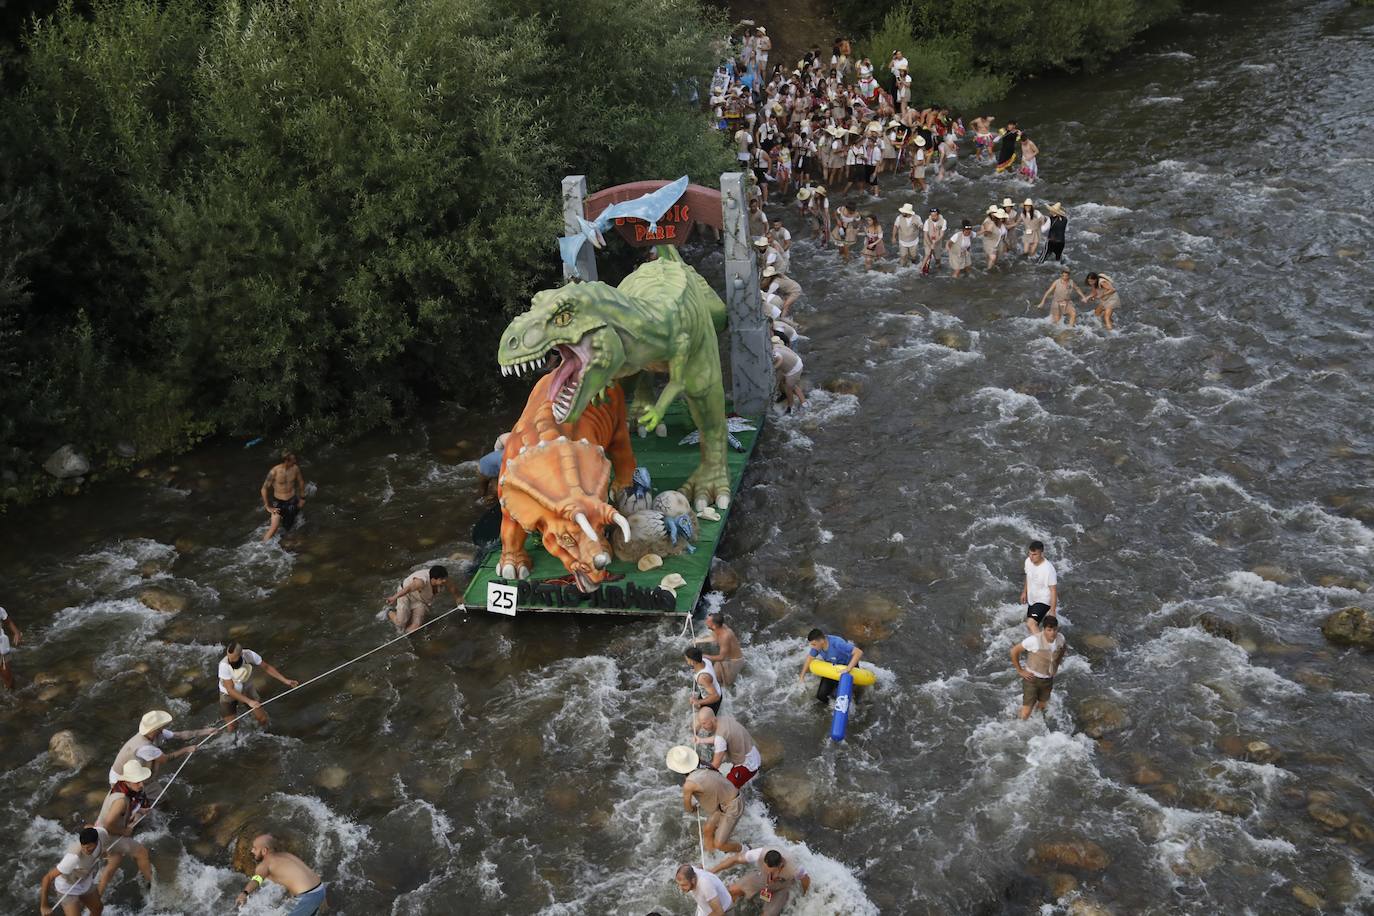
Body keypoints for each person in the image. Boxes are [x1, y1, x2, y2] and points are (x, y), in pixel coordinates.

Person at [109, 710, 214, 785]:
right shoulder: (145, 748)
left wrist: (205, 732)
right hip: (122, 779)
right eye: (161, 726)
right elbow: (166, 759)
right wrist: (186, 749)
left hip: (140, 775)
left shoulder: (157, 733)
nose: (164, 727)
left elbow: (181, 735)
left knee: (162, 801)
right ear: (155, 729)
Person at [671, 749, 744, 855]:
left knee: (720, 844)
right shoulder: (703, 763)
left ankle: (745, 850)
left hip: (733, 805)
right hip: (724, 802)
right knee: (707, 830)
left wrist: (693, 808)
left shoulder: (689, 785)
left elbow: (688, 808)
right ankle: (712, 856)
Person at [235, 834, 327, 914]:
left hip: (308, 896)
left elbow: (257, 879)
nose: (252, 851)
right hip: (320, 889)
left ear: (264, 851)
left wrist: (244, 893)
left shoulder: (266, 864)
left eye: (255, 848)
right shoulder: (287, 855)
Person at [218, 640, 299, 731]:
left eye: (233, 659)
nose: (230, 662)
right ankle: (234, 741)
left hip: (247, 689)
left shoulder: (249, 655)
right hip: (228, 694)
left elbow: (266, 667)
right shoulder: (224, 665)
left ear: (241, 654)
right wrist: (249, 702)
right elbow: (230, 690)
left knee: (263, 719)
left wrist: (285, 680)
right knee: (232, 726)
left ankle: (263, 734)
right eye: (229, 658)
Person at [711, 846, 812, 915]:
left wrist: (804, 895)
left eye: (771, 869)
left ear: (780, 865)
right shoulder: (759, 853)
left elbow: (805, 879)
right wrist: (711, 871)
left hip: (782, 887)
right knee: (731, 891)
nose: (767, 868)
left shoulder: (795, 868)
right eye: (765, 866)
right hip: (763, 878)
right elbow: (735, 859)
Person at [39, 826, 106, 916]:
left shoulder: (101, 833)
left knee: (98, 908)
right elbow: (47, 878)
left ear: (97, 841)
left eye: (89, 848)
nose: (86, 850)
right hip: (67, 887)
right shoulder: (72, 858)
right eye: (84, 847)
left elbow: (90, 826)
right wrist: (44, 906)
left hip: (84, 880)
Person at [1012, 615, 1067, 719]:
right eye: (1049, 630)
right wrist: (1020, 670)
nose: (1052, 633)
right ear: (1044, 629)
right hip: (1032, 679)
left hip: (1047, 679)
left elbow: (1063, 648)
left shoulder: (1061, 638)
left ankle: (1036, 722)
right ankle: (1017, 720)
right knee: (1026, 713)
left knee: (1042, 707)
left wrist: (1057, 664)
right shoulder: (1034, 640)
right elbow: (1014, 651)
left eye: (1055, 630)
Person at [694, 708, 761, 788]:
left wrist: (699, 770)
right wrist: (701, 740)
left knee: (727, 789)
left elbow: (715, 765)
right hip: (751, 752)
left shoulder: (720, 738)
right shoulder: (723, 719)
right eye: (701, 724)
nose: (702, 727)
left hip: (748, 765)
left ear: (712, 719)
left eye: (704, 723)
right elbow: (722, 737)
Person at [798, 628, 863, 704]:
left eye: (814, 644)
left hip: (849, 667)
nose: (812, 647)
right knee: (821, 696)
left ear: (822, 641)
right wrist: (802, 677)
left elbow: (858, 652)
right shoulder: (817, 647)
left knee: (839, 696)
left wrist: (848, 669)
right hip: (833, 668)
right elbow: (809, 658)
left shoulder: (837, 643)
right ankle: (830, 707)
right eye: (811, 644)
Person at [385, 564, 455, 634]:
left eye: (445, 578)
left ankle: (404, 635)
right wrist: (394, 597)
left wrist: (458, 597)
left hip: (420, 599)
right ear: (433, 579)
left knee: (416, 626)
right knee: (400, 622)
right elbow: (408, 589)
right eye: (441, 579)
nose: (444, 581)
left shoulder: (443, 580)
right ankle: (389, 611)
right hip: (406, 595)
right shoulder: (420, 582)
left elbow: (452, 587)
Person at [260, 451, 307, 542]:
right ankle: (261, 546)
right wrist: (268, 506)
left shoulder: (295, 468)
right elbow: (264, 489)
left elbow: (301, 482)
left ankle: (287, 544)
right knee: (273, 528)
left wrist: (302, 498)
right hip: (278, 502)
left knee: (290, 527)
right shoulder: (274, 472)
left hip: (292, 501)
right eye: (293, 459)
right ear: (286, 461)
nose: (295, 461)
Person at [694, 611, 744, 686]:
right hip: (726, 658)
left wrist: (703, 656)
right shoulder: (720, 627)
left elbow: (721, 657)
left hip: (733, 662)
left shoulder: (725, 636)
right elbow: (715, 637)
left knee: (725, 685)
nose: (705, 622)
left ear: (714, 626)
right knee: (714, 678)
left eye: (707, 621)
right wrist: (699, 640)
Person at [1020, 540, 1058, 634]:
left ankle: (1043, 647)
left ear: (1042, 553)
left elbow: (1053, 591)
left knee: (1031, 624)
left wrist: (1052, 611)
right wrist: (1024, 592)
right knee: (1031, 627)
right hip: (1032, 599)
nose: (1031, 557)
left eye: (1034, 554)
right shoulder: (1028, 561)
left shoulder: (1048, 569)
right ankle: (1047, 639)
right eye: (1030, 554)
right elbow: (1028, 576)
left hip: (1044, 600)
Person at [685, 646, 723, 714]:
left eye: (687, 660)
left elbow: (715, 696)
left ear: (693, 662)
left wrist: (698, 701)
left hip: (712, 701)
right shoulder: (705, 660)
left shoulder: (703, 677)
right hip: (710, 691)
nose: (687, 661)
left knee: (706, 722)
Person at [771, 336, 805, 412]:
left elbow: (780, 359)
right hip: (796, 362)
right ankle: (804, 403)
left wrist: (773, 368)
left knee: (788, 388)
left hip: (794, 368)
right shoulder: (779, 345)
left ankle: (791, 406)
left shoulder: (774, 352)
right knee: (791, 385)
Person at [475, 432, 511, 504]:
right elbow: (504, 476)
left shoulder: (506, 452)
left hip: (482, 465)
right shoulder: (505, 459)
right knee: (495, 491)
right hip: (485, 471)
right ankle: (484, 502)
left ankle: (479, 501)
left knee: (484, 489)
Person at [0, 604, 20, 690]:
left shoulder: (0, 610)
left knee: (7, 675)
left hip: (2, 646)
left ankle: (12, 692)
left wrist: (16, 632)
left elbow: (8, 621)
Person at [921, 208, 947, 272]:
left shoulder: (943, 221)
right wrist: (930, 244)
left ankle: (938, 267)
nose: (932, 217)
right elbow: (925, 235)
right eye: (931, 215)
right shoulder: (927, 221)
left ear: (938, 215)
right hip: (928, 240)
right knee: (927, 254)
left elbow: (941, 235)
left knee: (937, 258)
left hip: (937, 241)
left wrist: (934, 243)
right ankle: (921, 270)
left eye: (934, 216)